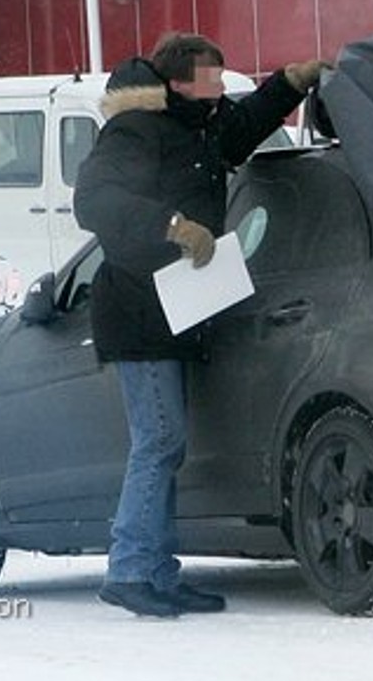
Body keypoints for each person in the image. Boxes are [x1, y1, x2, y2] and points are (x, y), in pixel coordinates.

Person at [73, 33, 325, 618]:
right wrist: (173, 225)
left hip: (180, 306)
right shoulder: (137, 129)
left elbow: (243, 128)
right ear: (178, 81)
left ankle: (158, 573)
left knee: (167, 445)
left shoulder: (200, 125)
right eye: (212, 78)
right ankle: (131, 569)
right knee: (158, 442)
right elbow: (94, 199)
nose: (220, 87)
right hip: (138, 307)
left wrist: (289, 82)